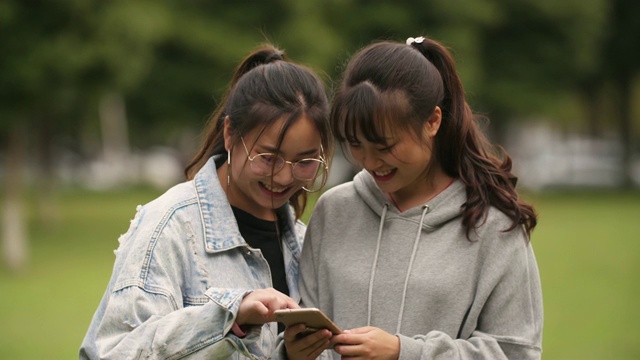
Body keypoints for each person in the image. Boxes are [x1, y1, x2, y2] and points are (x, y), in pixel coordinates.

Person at [285, 36, 543, 359]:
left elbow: (516, 353)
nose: (369, 161)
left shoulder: (494, 226)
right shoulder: (334, 211)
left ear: (433, 121)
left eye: (384, 147)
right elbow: (311, 334)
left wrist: (403, 352)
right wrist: (296, 352)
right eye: (356, 144)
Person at [79, 43, 333, 359]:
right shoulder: (168, 226)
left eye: (305, 162)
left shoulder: (303, 240)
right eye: (268, 158)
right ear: (230, 133)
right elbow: (114, 353)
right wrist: (227, 318)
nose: (284, 177)